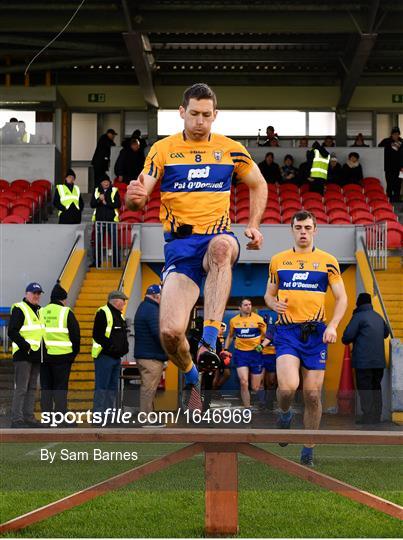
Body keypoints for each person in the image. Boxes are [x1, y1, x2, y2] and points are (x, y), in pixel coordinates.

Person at [126, 83, 267, 412]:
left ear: (215, 115)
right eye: (194, 114)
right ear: (181, 112)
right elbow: (141, 192)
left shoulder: (231, 149)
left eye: (207, 115)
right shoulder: (163, 149)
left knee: (221, 248)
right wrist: (135, 198)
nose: (200, 121)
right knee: (170, 333)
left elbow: (258, 183)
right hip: (179, 247)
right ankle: (191, 374)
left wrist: (254, 224)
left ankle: (209, 339)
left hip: (216, 235)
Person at [264, 210, 347, 467]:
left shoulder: (328, 261)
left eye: (307, 227)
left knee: (312, 395)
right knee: (287, 387)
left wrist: (332, 326)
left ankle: (308, 449)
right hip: (287, 332)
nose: (303, 232)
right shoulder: (278, 261)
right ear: (292, 229)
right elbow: (268, 295)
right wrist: (272, 304)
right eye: (298, 227)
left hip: (316, 333)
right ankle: (286, 413)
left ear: (315, 230)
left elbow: (342, 298)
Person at [342, 293, 389, 425]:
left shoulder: (358, 317)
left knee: (365, 389)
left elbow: (346, 337)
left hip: (363, 362)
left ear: (358, 303)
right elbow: (386, 333)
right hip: (379, 362)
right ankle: (377, 416)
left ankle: (368, 417)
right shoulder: (378, 317)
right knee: (376, 387)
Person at [8, 282, 45, 428]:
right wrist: (26, 346)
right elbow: (12, 331)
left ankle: (29, 417)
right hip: (23, 354)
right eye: (34, 293)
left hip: (36, 354)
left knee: (31, 388)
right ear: (26, 294)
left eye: (38, 294)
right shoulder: (20, 308)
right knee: (22, 388)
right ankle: (17, 419)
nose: (36, 296)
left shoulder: (39, 311)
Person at [41, 283, 80, 419]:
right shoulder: (66, 312)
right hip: (63, 357)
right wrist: (72, 355)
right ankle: (60, 417)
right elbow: (76, 336)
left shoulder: (41, 312)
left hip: (44, 357)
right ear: (62, 299)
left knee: (46, 387)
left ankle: (47, 417)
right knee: (60, 388)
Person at [92, 290, 129, 419]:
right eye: (122, 300)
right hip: (104, 357)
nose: (124, 303)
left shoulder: (120, 315)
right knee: (102, 388)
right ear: (115, 300)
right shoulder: (103, 312)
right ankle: (98, 417)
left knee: (112, 389)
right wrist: (112, 348)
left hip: (115, 357)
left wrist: (124, 349)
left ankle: (109, 417)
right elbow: (97, 335)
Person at [224, 299, 266, 408]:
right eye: (245, 305)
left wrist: (262, 345)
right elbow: (230, 335)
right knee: (243, 382)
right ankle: (247, 408)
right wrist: (225, 349)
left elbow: (268, 336)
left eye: (250, 304)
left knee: (255, 387)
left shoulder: (259, 319)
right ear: (240, 308)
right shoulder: (234, 321)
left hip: (255, 355)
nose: (248, 306)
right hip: (240, 354)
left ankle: (261, 399)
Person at [134, 284, 167, 420]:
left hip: (145, 355)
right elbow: (157, 333)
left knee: (148, 388)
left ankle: (148, 417)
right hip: (151, 357)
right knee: (149, 390)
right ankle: (146, 419)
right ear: (156, 296)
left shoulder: (144, 307)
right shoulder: (152, 309)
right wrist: (169, 349)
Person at [90, 175, 121, 267]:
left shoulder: (114, 190)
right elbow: (92, 204)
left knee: (114, 242)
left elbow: (118, 204)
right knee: (98, 243)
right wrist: (99, 199)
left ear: (110, 182)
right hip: (99, 221)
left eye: (107, 181)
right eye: (104, 181)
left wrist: (106, 203)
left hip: (112, 221)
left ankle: (116, 263)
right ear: (101, 183)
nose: (106, 183)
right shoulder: (96, 191)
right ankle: (96, 263)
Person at [378, 127, 403, 202]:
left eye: (397, 134)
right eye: (394, 134)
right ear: (391, 134)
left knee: (398, 183)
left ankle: (397, 198)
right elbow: (379, 149)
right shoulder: (386, 141)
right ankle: (389, 198)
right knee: (389, 182)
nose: (396, 135)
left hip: (400, 167)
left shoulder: (402, 141)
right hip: (388, 166)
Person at [260, 311, 278, 410]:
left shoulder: (277, 328)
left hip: (273, 356)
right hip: (261, 356)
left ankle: (269, 402)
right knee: (260, 381)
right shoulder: (259, 328)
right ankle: (262, 403)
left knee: (271, 382)